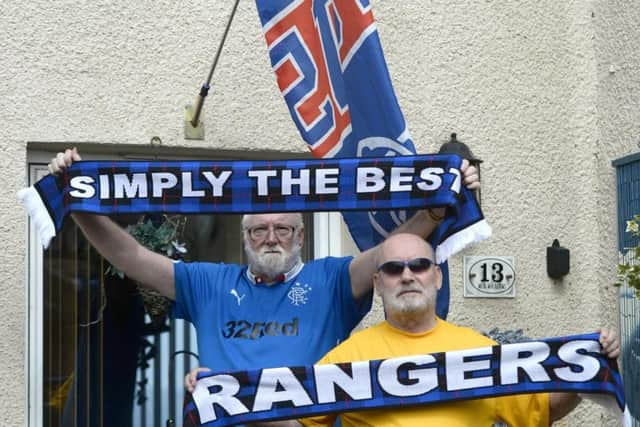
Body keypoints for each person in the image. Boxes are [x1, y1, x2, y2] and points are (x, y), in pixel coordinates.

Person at [48, 147, 480, 375]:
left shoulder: (329, 279)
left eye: (283, 228)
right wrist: (79, 202)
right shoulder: (208, 283)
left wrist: (439, 205)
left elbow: (395, 250)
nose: (271, 237)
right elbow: (130, 255)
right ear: (245, 238)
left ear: (301, 236)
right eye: (259, 229)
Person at [249, 233, 620, 427]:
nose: (407, 275)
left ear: (437, 277)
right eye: (394, 269)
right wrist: (233, 400)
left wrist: (588, 369)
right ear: (378, 283)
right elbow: (303, 423)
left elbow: (541, 412)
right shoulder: (349, 357)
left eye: (419, 265)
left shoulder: (481, 352)